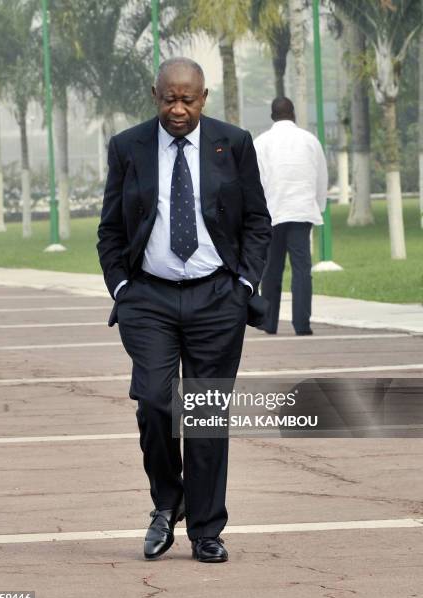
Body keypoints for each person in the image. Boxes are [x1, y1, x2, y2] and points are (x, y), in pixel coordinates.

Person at [97, 57, 271, 563]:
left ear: (204, 96)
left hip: (216, 296)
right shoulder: (127, 146)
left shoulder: (233, 143)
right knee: (153, 401)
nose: (177, 109)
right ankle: (165, 500)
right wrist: (122, 287)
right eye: (168, 98)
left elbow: (258, 219)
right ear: (155, 94)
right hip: (148, 297)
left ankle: (206, 529)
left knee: (205, 414)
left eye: (187, 100)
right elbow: (110, 228)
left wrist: (242, 283)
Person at [254, 97, 328, 336]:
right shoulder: (310, 141)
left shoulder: (262, 142)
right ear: (293, 113)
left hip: (273, 213)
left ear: (272, 116)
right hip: (301, 211)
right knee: (301, 269)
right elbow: (321, 178)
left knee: (272, 270)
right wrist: (318, 205)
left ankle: (269, 323)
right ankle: (302, 325)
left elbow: (257, 181)